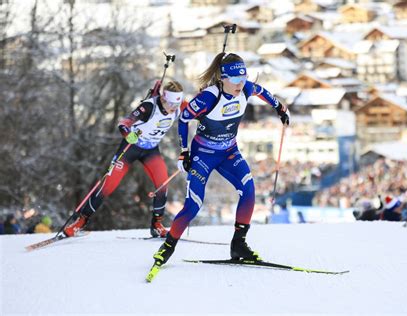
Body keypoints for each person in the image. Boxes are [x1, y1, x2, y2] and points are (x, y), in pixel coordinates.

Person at [149, 52, 290, 268]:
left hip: (229, 152)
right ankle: (167, 248)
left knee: (248, 190)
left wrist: (279, 108)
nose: (240, 84)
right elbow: (184, 119)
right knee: (193, 205)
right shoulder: (208, 97)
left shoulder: (246, 89)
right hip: (203, 155)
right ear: (223, 78)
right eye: (235, 80)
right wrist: (184, 152)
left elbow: (264, 92)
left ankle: (239, 244)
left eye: (243, 78)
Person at [63, 80, 185, 238]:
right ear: (163, 98)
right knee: (109, 183)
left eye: (177, 104)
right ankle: (80, 222)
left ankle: (156, 225)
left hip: (150, 150)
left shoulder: (178, 106)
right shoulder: (149, 106)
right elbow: (124, 123)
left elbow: (200, 107)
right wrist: (129, 134)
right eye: (170, 104)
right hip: (130, 148)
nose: (173, 108)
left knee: (162, 183)